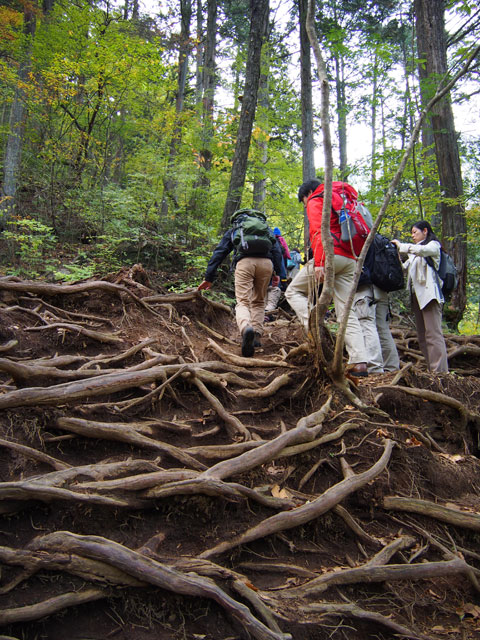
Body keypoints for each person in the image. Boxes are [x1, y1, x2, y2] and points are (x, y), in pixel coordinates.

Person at [285, 179, 369, 377]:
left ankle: (315, 331)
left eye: (303, 201)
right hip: (350, 259)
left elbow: (318, 231)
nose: (306, 205)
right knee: (345, 311)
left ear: (307, 194)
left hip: (332, 256)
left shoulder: (317, 199)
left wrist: (321, 261)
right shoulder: (343, 198)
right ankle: (359, 362)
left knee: (292, 291)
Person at [198, 212, 283, 358]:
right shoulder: (266, 229)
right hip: (266, 264)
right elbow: (277, 250)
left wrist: (209, 277)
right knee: (259, 301)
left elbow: (220, 252)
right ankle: (256, 334)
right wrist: (279, 274)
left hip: (245, 263)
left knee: (243, 301)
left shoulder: (237, 228)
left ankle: (246, 328)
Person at [392, 220, 448, 373]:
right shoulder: (414, 253)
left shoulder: (433, 246)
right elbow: (404, 268)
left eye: (415, 232)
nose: (413, 236)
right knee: (422, 335)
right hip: (417, 297)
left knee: (433, 333)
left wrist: (401, 246)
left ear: (425, 231)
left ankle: (440, 372)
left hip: (430, 296)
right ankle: (431, 369)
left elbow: (422, 251)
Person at [353, 284, 400, 373]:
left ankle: (374, 366)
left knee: (366, 325)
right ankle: (392, 367)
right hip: (381, 290)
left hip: (365, 291)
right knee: (383, 329)